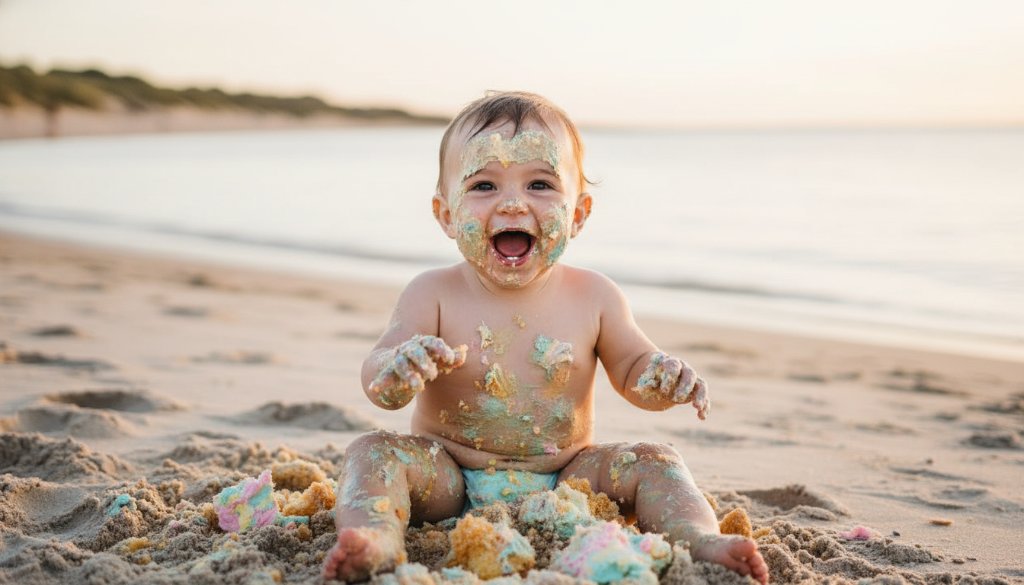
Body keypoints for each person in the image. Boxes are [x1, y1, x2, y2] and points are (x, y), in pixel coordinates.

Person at [323, 91, 768, 584]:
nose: (513, 203)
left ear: (578, 214)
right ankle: (376, 534)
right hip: (446, 473)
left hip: (569, 477)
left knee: (657, 461)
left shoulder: (596, 295)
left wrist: (661, 378)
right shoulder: (431, 292)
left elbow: (633, 369)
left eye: (540, 183)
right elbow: (379, 380)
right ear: (446, 214)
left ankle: (695, 535)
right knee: (372, 451)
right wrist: (397, 369)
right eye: (484, 185)